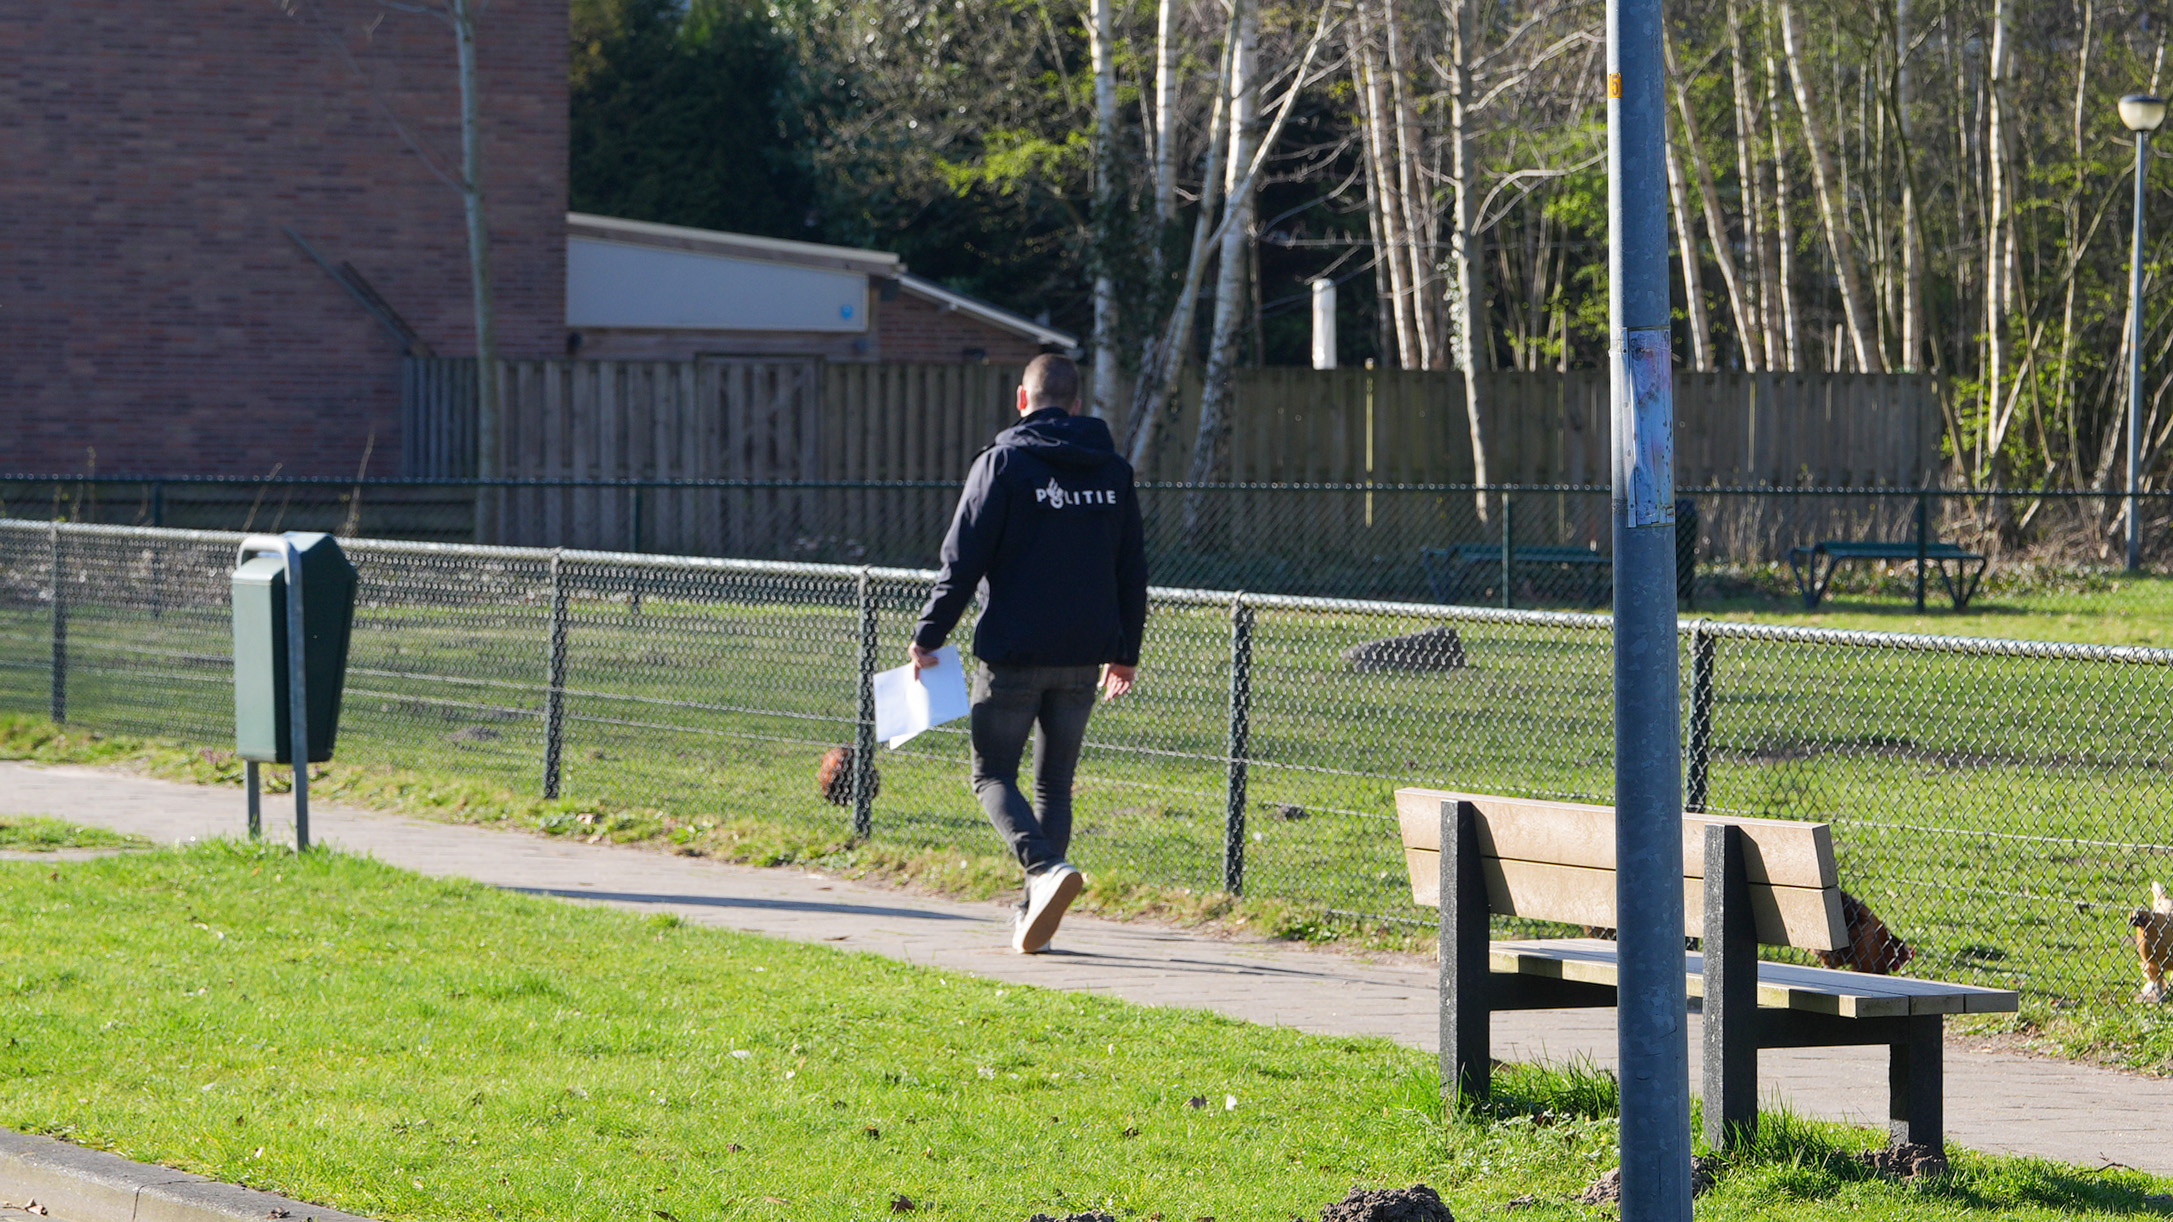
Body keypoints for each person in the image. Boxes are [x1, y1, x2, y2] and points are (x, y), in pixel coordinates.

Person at [909, 353, 1148, 954]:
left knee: (991, 774)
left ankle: (1044, 871)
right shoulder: (1113, 471)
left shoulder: (1003, 464)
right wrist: (1125, 652)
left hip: (1013, 654)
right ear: (1076, 404)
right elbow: (1131, 569)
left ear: (1022, 399)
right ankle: (1032, 913)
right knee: (1054, 788)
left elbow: (962, 561)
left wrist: (929, 635)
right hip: (1084, 656)